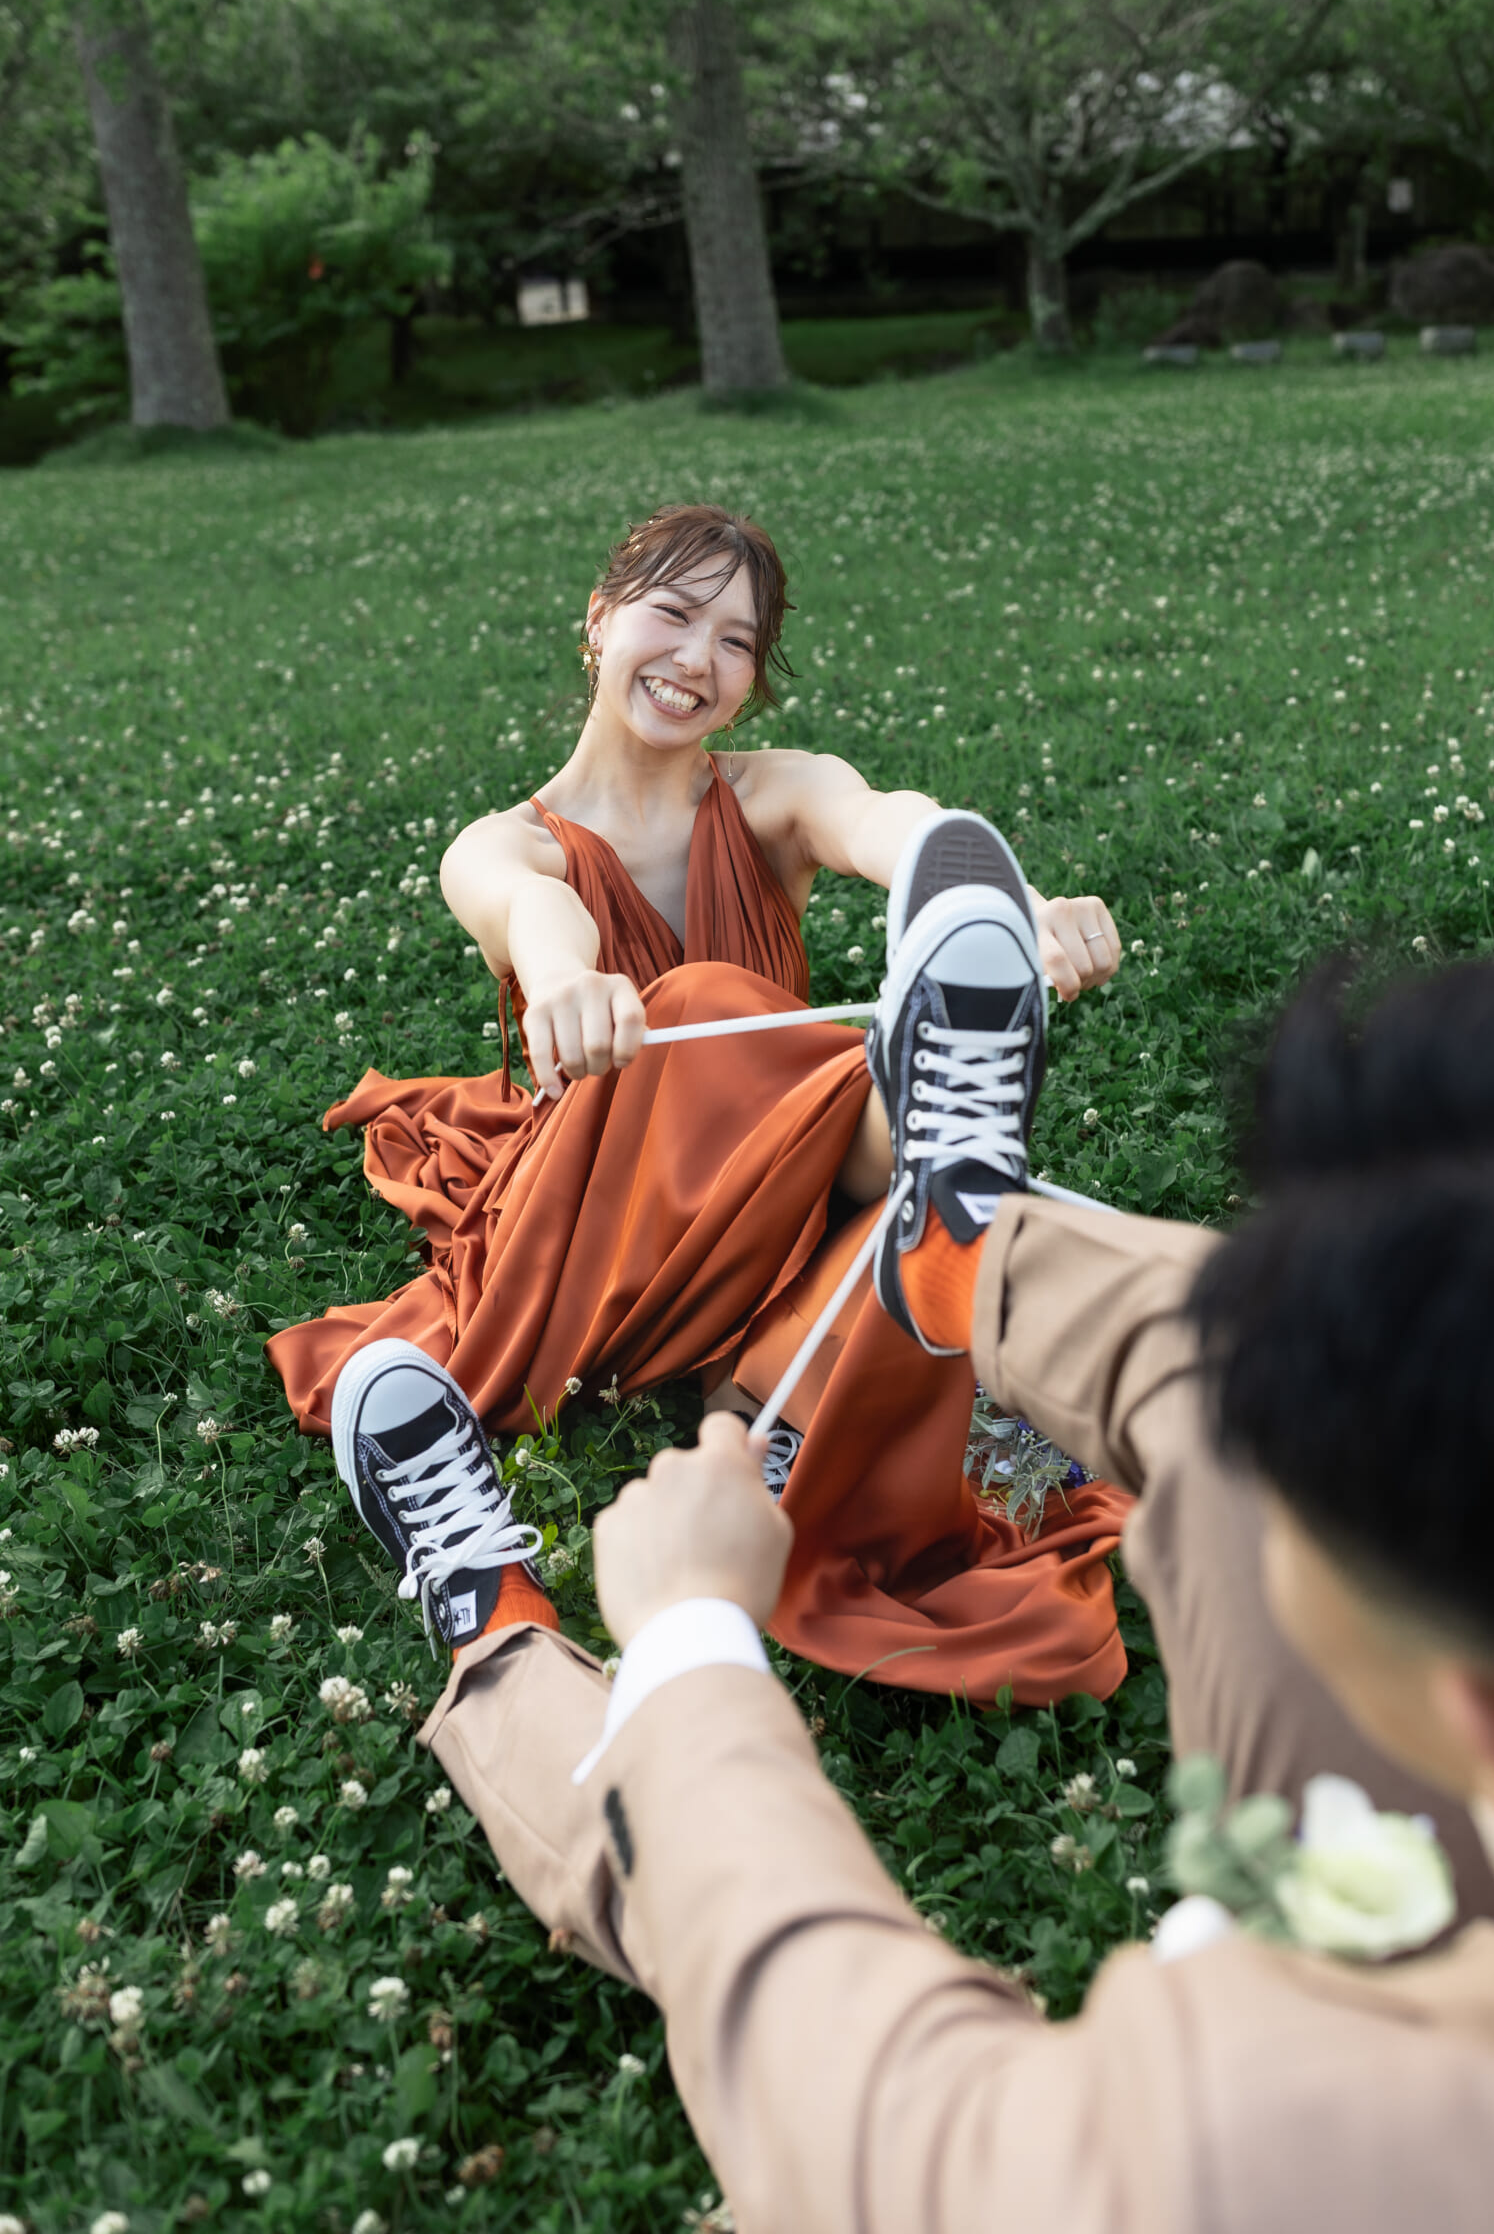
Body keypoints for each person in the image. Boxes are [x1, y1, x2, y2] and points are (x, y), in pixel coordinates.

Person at [339, 853, 1494, 2233]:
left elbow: (871, 2109)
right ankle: (959, 1237)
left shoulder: (1273, 2151)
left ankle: (490, 1624)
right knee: (1231, 1387)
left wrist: (691, 1638)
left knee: (707, 1871)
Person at [272, 505, 1135, 1703]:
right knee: (695, 1005)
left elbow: (884, 820)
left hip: (790, 1204)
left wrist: (996, 898)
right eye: (673, 615)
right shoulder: (504, 846)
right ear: (599, 620)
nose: (698, 658)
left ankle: (928, 1151)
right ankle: (924, 1116)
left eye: (736, 641)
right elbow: (530, 909)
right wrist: (566, 984)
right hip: (605, 1226)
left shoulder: (776, 796)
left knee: (968, 1246)